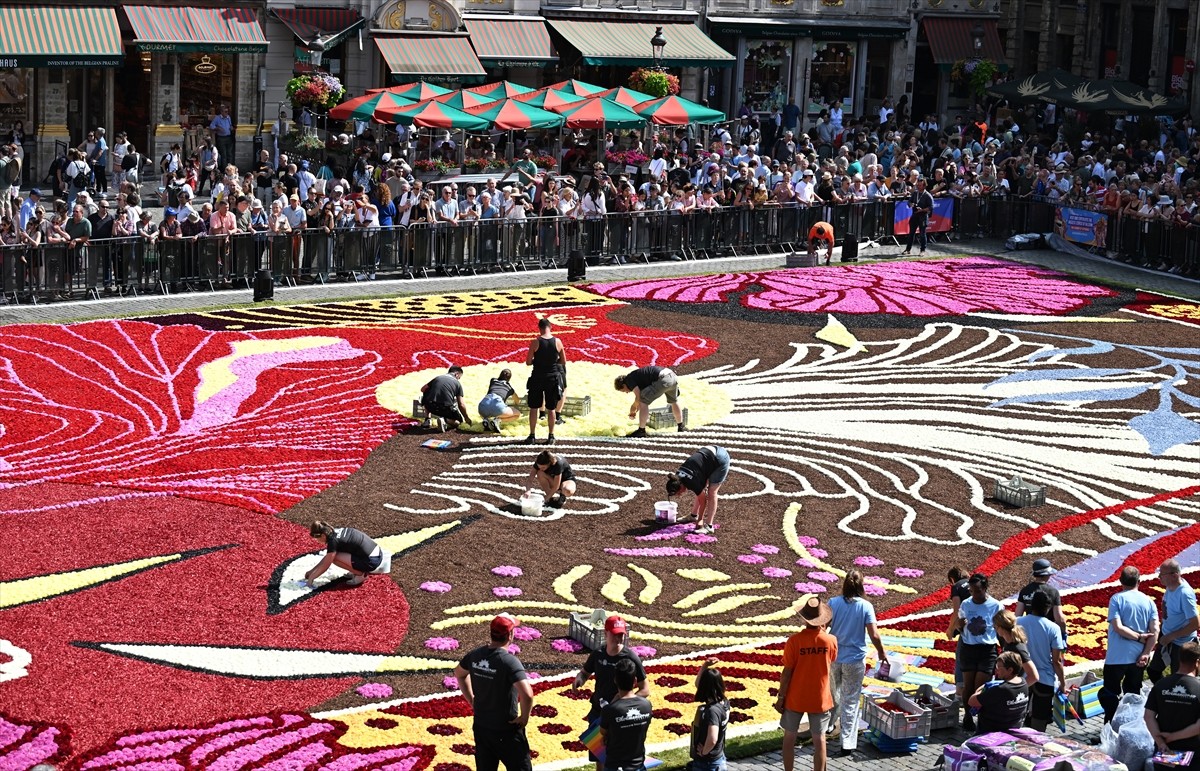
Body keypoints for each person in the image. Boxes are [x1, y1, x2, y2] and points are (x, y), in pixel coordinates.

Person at [453, 614, 534, 771]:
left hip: (482, 726)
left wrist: (471, 699)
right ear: (510, 635)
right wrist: (524, 717)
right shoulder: (509, 662)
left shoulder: (475, 655)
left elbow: (459, 674)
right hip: (506, 729)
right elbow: (527, 694)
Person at [574, 615, 649, 771]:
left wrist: (622, 702)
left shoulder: (630, 657)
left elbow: (645, 689)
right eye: (615, 634)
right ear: (606, 633)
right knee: (599, 758)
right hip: (597, 713)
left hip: (620, 717)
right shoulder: (598, 654)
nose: (619, 638)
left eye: (621, 634)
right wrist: (579, 680)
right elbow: (585, 672)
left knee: (616, 758)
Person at [827, 571, 888, 757]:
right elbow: (874, 634)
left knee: (832, 693)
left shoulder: (833, 603)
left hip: (834, 657)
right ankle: (847, 742)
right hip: (854, 660)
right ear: (861, 585)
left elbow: (822, 625)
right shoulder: (866, 606)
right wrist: (881, 652)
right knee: (851, 700)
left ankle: (828, 725)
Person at [776, 596, 837, 771]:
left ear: (805, 619)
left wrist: (781, 697)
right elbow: (832, 660)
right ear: (822, 619)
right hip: (820, 697)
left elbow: (787, 672)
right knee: (820, 739)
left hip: (796, 696)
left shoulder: (794, 641)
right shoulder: (830, 640)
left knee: (789, 738)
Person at [1101, 565, 1160, 722]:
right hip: (1138, 658)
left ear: (1120, 581)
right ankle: (1129, 727)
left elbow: (1118, 627)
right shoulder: (1149, 601)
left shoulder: (1117, 599)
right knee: (1133, 696)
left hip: (1116, 657)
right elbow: (1155, 631)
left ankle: (1109, 727)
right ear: (1139, 581)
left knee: (1110, 695)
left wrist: (1138, 637)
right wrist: (1146, 653)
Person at [952, 573, 1002, 731]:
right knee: (968, 686)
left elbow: (1001, 629)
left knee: (980, 686)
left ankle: (981, 718)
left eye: (978, 591)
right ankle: (968, 716)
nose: (974, 595)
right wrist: (960, 624)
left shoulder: (996, 605)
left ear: (985, 588)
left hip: (987, 650)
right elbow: (959, 625)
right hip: (969, 648)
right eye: (971, 591)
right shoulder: (966, 604)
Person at [1144, 641, 1200, 769]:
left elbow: (1148, 716)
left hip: (1165, 750)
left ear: (1179, 659)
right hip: (1192, 754)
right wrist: (1173, 737)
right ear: (1197, 662)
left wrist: (1161, 742)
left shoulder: (1161, 684)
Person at [1015, 593, 1067, 731]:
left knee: (1016, 717)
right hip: (1044, 679)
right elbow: (1057, 661)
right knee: (1039, 721)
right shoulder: (1053, 628)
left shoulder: (1018, 622)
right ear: (1048, 608)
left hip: (1022, 677)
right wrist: (1062, 683)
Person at [600, 659, 653, 771]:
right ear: (635, 681)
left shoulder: (610, 710)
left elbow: (603, 732)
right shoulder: (646, 705)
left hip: (615, 766)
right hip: (638, 765)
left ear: (615, 680)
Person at [1151, 558, 1199, 683]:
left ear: (1174, 575)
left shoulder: (1184, 594)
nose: (1159, 577)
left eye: (1162, 574)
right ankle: (1162, 692)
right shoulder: (1170, 586)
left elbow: (1195, 624)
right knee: (1153, 671)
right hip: (1167, 635)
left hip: (1181, 643)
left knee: (1179, 680)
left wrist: (1171, 636)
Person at [666, 445, 731, 537]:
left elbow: (703, 500)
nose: (680, 495)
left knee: (712, 492)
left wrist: (700, 519)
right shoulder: (677, 476)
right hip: (707, 456)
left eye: (679, 493)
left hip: (719, 459)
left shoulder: (691, 482)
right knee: (700, 489)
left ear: (680, 486)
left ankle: (709, 526)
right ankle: (693, 516)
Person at [303, 520, 383, 587]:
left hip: (372, 561)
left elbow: (326, 564)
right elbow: (328, 557)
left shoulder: (333, 541)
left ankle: (360, 574)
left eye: (317, 538)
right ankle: (357, 569)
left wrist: (312, 578)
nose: (317, 541)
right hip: (377, 553)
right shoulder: (335, 532)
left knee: (335, 559)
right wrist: (312, 571)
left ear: (323, 535)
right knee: (334, 556)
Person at [524, 317, 565, 446]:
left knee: (534, 407)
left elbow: (528, 362)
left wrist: (538, 361)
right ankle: (551, 436)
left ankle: (532, 435)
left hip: (537, 377)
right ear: (550, 327)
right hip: (552, 377)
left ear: (539, 328)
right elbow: (563, 361)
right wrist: (552, 363)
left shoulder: (535, 342)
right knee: (551, 408)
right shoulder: (557, 341)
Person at [968, 651, 1031, 735]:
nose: (996, 670)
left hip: (991, 733)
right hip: (1013, 730)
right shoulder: (1023, 683)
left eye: (998, 667)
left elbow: (972, 701)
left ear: (1010, 670)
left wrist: (984, 687)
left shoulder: (1000, 689)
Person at [614, 366, 684, 437]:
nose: (626, 392)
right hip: (672, 376)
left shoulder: (629, 380)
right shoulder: (637, 378)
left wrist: (633, 407)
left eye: (624, 390)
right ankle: (681, 426)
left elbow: (639, 398)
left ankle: (641, 431)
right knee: (674, 401)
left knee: (643, 402)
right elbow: (640, 399)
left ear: (623, 385)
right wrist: (634, 411)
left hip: (663, 379)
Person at [691, 659, 730, 771]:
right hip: (719, 757)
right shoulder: (724, 702)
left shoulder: (712, 711)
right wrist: (705, 666)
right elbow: (698, 684)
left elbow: (712, 738)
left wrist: (703, 752)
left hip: (708, 763)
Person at [1015, 558, 1069, 640]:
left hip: (1030, 631)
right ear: (1046, 574)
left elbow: (1018, 615)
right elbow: (1059, 618)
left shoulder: (1025, 590)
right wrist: (1064, 631)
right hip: (1047, 631)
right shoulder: (1053, 591)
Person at [420, 365, 473, 431]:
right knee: (459, 422)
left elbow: (423, 389)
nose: (458, 379)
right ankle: (445, 420)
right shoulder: (457, 384)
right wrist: (466, 418)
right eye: (459, 377)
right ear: (456, 374)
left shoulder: (438, 378)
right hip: (445, 409)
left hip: (430, 406)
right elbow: (461, 404)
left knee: (427, 391)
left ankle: (427, 419)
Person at [946, 566, 972, 702]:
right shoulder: (975, 582)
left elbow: (956, 611)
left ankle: (959, 695)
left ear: (952, 579)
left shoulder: (956, 586)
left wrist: (950, 629)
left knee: (961, 657)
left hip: (967, 627)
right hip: (983, 627)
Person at [479, 368, 521, 432]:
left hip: (482, 407)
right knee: (517, 414)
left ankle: (486, 420)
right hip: (498, 407)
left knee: (488, 411)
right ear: (509, 378)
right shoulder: (509, 388)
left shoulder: (493, 380)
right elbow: (517, 401)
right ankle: (497, 421)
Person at [901, 177, 933, 256]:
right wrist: (911, 204)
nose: (918, 187)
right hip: (915, 215)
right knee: (911, 233)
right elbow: (909, 201)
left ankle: (923, 250)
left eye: (920, 185)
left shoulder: (927, 195)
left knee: (922, 234)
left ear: (924, 186)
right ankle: (908, 249)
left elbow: (931, 207)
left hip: (923, 216)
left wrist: (922, 210)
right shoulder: (915, 193)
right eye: (917, 185)